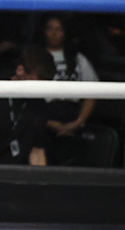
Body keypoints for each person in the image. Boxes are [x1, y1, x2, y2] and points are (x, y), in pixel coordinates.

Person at [39, 14, 99, 164]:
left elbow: (92, 93)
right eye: (50, 28)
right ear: (43, 31)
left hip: (73, 119)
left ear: (66, 33)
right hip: (41, 118)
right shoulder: (35, 57)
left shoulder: (78, 59)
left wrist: (78, 122)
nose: (54, 33)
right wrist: (47, 122)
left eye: (59, 29)